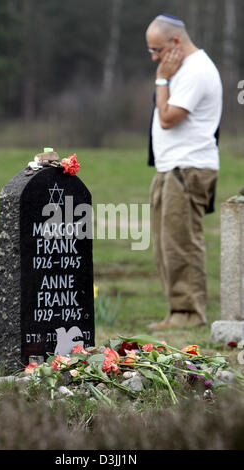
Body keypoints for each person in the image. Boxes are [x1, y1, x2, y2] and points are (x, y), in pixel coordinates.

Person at [145, 14, 222, 329]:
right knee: (165, 244)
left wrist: (162, 79)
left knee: (182, 243)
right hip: (172, 167)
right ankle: (177, 311)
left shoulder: (196, 71)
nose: (154, 57)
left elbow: (168, 118)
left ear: (175, 42)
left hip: (188, 169)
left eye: (157, 49)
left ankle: (190, 314)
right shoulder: (181, 68)